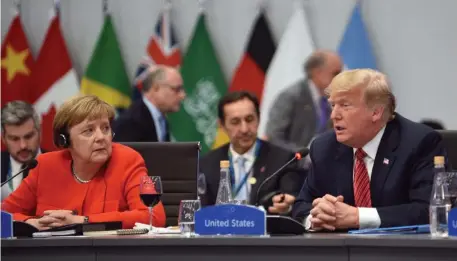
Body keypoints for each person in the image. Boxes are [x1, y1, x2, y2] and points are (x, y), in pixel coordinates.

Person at [272, 69, 446, 230]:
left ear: (376, 112)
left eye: (345, 105)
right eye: (333, 105)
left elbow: (429, 210)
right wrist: (316, 217)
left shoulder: (419, 142)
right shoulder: (324, 147)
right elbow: (302, 206)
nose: (334, 115)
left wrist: (358, 217)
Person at [1, 95, 166, 230]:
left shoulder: (127, 160)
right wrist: (32, 223)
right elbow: (4, 214)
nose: (101, 137)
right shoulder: (45, 166)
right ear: (65, 140)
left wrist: (83, 220)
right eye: (89, 131)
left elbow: (153, 217)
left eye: (105, 128)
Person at [199, 91, 306, 212]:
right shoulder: (206, 164)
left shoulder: (283, 159)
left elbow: (292, 198)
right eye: (235, 122)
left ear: (259, 119)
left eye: (249, 119)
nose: (244, 129)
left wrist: (286, 205)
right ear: (222, 125)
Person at [264, 50, 343, 152]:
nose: (340, 78)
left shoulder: (333, 99)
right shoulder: (291, 97)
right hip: (293, 164)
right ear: (317, 72)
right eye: (335, 73)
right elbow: (273, 138)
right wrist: (303, 156)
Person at [113, 65, 186, 142]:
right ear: (156, 88)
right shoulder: (131, 122)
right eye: (177, 89)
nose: (183, 95)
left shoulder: (161, 119)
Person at [1, 101, 44, 198]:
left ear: (40, 132)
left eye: (28, 136)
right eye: (14, 139)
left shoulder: (62, 165)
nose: (23, 146)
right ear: (3, 138)